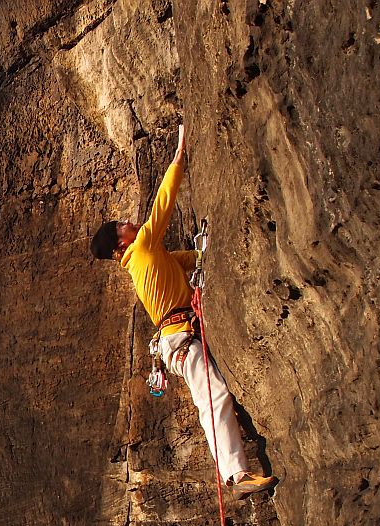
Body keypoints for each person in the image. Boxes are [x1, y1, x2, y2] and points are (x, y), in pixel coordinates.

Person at [89, 125, 275, 497]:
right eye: (124, 224)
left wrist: (207, 254)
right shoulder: (141, 248)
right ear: (121, 239)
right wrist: (178, 158)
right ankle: (235, 476)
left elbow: (183, 260)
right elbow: (162, 204)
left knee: (216, 394)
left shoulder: (144, 260)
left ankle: (234, 466)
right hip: (180, 338)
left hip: (176, 338)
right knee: (214, 395)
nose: (131, 222)